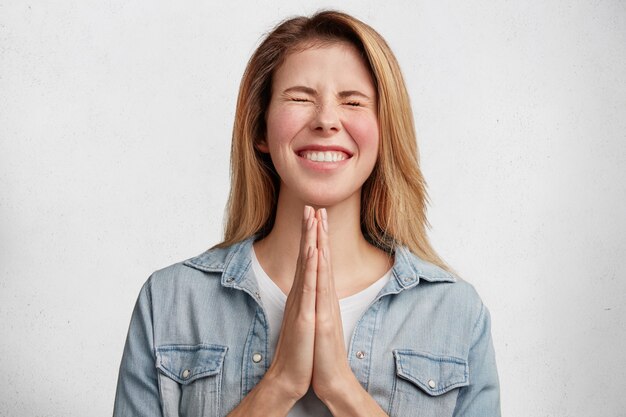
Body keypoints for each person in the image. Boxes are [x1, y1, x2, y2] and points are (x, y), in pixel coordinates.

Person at [113, 10, 500, 417]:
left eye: (352, 102)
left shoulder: (457, 314)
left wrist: (340, 387)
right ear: (260, 129)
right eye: (300, 98)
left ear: (385, 131)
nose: (327, 120)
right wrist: (279, 384)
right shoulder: (169, 302)